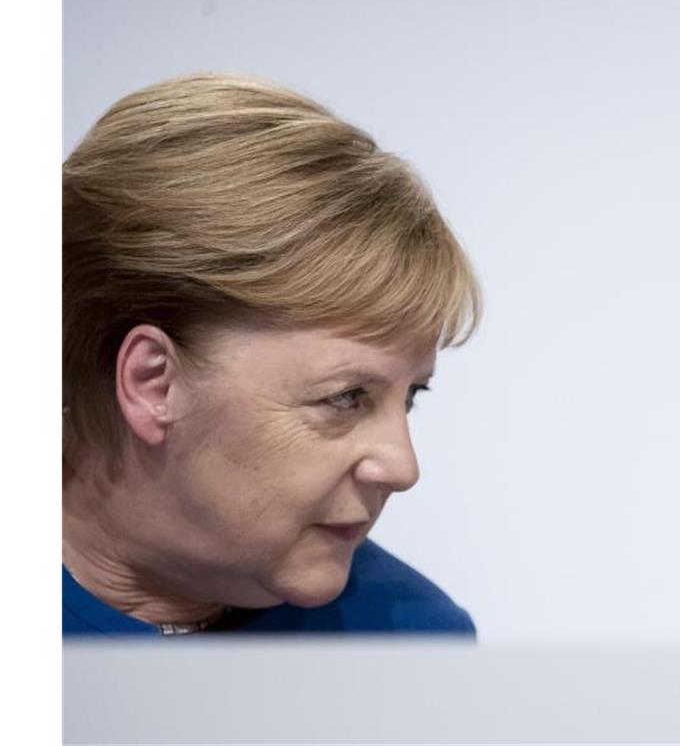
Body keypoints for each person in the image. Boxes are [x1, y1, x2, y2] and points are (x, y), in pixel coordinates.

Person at [63, 73, 481, 635]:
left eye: (410, 397)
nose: (403, 469)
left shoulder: (407, 643)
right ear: (152, 382)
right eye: (346, 397)